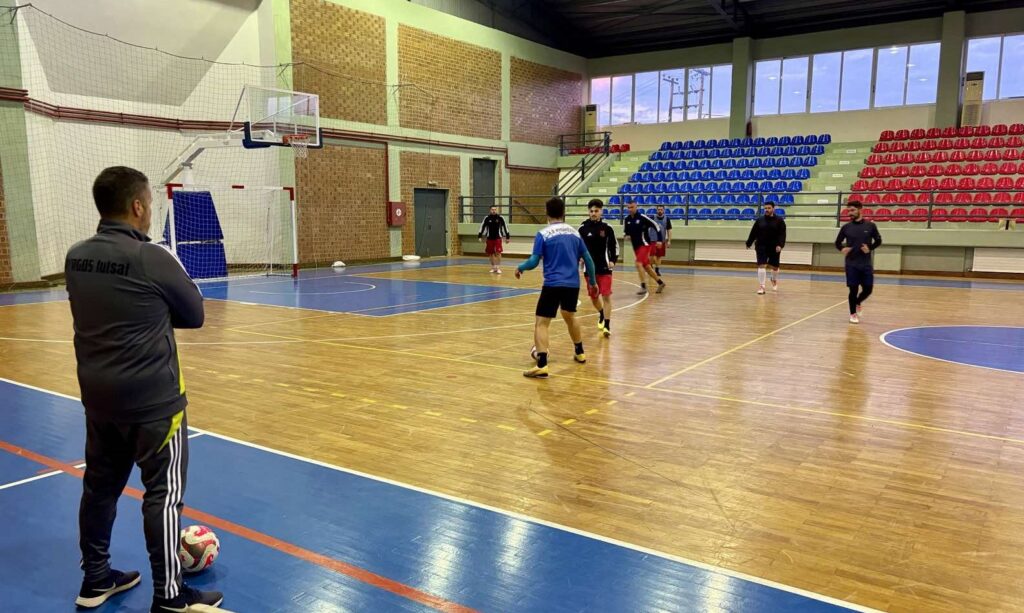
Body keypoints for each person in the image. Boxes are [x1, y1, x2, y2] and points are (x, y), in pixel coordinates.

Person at [66, 167, 224, 612]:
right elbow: (194, 314)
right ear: (137, 206)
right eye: (150, 203)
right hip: (154, 402)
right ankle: (170, 596)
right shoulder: (152, 256)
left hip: (98, 400)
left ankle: (95, 579)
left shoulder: (76, 257)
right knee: (163, 495)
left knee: (99, 489)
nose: (151, 211)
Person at [515, 197, 597, 378]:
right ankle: (580, 352)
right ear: (563, 212)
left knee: (541, 323)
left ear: (547, 213)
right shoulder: (575, 233)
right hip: (572, 284)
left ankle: (542, 364)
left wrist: (521, 267)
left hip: (552, 284)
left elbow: (534, 261)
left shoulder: (543, 234)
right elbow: (589, 260)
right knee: (570, 316)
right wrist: (592, 282)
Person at [835, 200, 882, 324]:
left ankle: (858, 302)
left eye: (852, 210)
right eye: (848, 211)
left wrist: (870, 248)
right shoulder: (846, 227)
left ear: (860, 209)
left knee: (868, 289)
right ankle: (853, 314)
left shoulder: (870, 226)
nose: (850, 213)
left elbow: (878, 241)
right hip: (851, 264)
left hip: (865, 264)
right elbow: (837, 243)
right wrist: (842, 249)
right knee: (853, 290)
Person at [578, 199, 617, 338]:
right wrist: (579, 257)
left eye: (596, 211)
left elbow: (614, 246)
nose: (593, 213)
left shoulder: (607, 228)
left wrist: (613, 260)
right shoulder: (582, 228)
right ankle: (601, 313)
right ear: (588, 212)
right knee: (594, 297)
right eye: (591, 211)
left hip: (605, 268)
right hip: (589, 270)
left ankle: (607, 325)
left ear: (601, 211)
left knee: (606, 296)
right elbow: (577, 246)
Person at [622, 199, 666, 295]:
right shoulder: (627, 219)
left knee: (638, 264)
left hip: (645, 245)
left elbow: (656, 226)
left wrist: (659, 240)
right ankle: (660, 283)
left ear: (636, 207)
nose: (630, 209)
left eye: (632, 207)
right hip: (636, 247)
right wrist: (626, 236)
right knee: (647, 267)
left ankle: (643, 286)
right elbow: (626, 232)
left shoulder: (643, 217)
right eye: (628, 207)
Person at [745, 201, 787, 294]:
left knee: (775, 267)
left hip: (774, 246)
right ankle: (762, 286)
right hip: (761, 245)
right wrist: (749, 243)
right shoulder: (760, 220)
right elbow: (753, 232)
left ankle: (773, 279)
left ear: (773, 209)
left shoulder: (779, 220)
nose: (767, 210)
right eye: (765, 208)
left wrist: (780, 245)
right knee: (761, 265)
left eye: (769, 208)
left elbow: (782, 234)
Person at [477, 205, 511, 273]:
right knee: (491, 253)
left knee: (498, 253)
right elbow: (482, 227)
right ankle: (493, 267)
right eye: (492, 209)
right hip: (489, 238)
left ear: (496, 210)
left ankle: (498, 267)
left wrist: (507, 237)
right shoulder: (487, 218)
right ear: (490, 210)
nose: (494, 211)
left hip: (498, 238)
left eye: (495, 209)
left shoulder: (500, 218)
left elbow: (505, 227)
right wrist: (479, 236)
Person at [647, 204, 672, 277]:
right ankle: (651, 266)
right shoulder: (652, 218)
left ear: (663, 210)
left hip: (661, 241)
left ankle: (657, 269)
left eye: (661, 209)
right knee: (652, 256)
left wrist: (669, 240)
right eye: (658, 209)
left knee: (659, 256)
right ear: (656, 210)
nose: (660, 211)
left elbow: (669, 230)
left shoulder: (667, 219)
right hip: (652, 240)